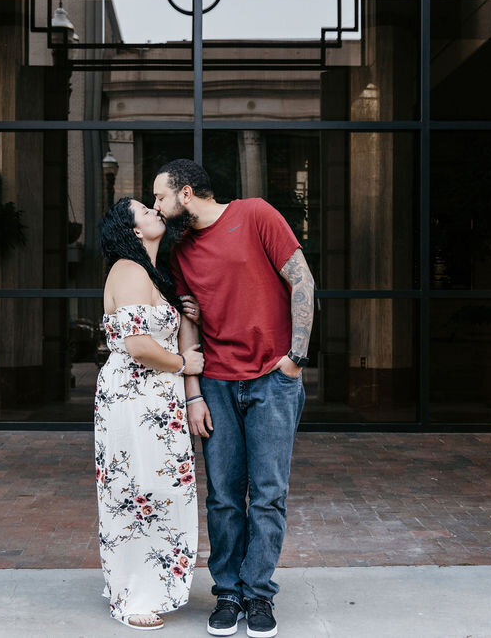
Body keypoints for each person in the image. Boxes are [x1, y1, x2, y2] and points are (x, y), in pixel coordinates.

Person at [153, 159, 315, 638]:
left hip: (272, 378)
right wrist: (193, 395)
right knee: (224, 497)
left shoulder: (256, 213)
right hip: (218, 385)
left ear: (185, 193)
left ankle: (259, 594)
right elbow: (189, 323)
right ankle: (228, 593)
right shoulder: (181, 252)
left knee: (268, 495)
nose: (158, 207)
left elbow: (302, 281)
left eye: (160, 197)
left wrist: (294, 360)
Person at [94, 197, 205, 631]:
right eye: (145, 210)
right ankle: (132, 594)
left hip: (158, 402)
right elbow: (139, 346)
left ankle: (150, 585)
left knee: (160, 491)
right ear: (133, 229)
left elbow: (163, 330)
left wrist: (186, 313)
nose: (157, 211)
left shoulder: (153, 274)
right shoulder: (129, 269)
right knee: (135, 492)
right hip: (133, 398)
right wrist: (184, 365)